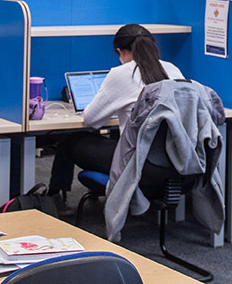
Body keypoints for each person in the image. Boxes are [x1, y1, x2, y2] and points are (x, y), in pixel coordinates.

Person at [44, 23, 184, 200]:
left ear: (120, 51)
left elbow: (91, 119)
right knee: (119, 136)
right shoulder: (173, 69)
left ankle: (54, 198)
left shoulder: (122, 73)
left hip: (140, 163)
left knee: (70, 140)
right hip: (176, 159)